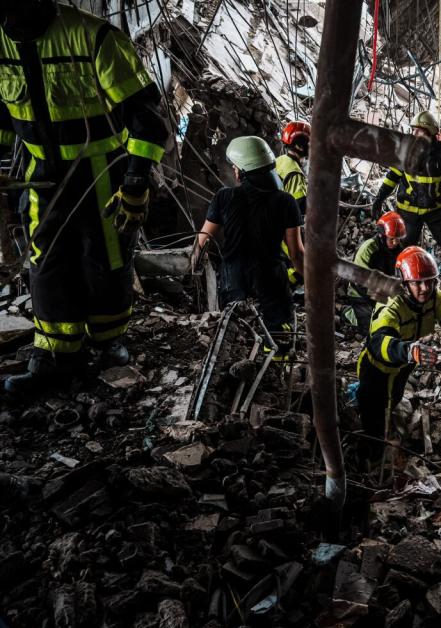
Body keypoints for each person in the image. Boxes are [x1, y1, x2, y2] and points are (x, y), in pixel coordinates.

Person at [1, 0, 167, 393]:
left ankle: (109, 341)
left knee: (106, 255)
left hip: (100, 169)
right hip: (39, 171)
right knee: (46, 260)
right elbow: (3, 118)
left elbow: (145, 118)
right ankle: (56, 356)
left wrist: (136, 182)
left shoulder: (95, 37)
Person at [356, 247, 441, 458]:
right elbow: (378, 343)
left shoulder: (434, 297)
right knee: (373, 418)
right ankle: (370, 458)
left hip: (403, 366)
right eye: (417, 283)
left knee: (393, 400)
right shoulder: (390, 303)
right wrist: (409, 350)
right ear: (404, 283)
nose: (425, 288)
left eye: (430, 281)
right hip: (376, 369)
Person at [194, 136, 304, 353]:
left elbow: (203, 241)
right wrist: (312, 285)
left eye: (235, 167)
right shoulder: (285, 201)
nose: (234, 171)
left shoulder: (224, 197)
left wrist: (193, 266)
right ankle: (274, 377)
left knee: (235, 336)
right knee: (279, 335)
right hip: (271, 276)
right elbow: (297, 254)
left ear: (242, 171)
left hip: (233, 276)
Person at [371, 111, 441, 270]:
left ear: (429, 132)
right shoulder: (405, 150)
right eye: (413, 129)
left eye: (419, 130)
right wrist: (379, 198)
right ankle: (402, 272)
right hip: (408, 211)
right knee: (404, 244)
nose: (414, 133)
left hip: (435, 209)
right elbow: (392, 177)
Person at [343, 211, 407, 332]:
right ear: (382, 236)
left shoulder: (399, 250)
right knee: (372, 329)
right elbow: (359, 283)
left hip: (387, 292)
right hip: (361, 294)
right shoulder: (368, 249)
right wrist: (382, 298)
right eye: (392, 239)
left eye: (398, 239)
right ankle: (347, 312)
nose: (396, 242)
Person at [277, 121, 309, 286]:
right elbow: (300, 207)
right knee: (298, 263)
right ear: (301, 146)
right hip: (284, 226)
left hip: (271, 219)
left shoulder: (280, 160)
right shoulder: (295, 173)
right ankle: (287, 288)